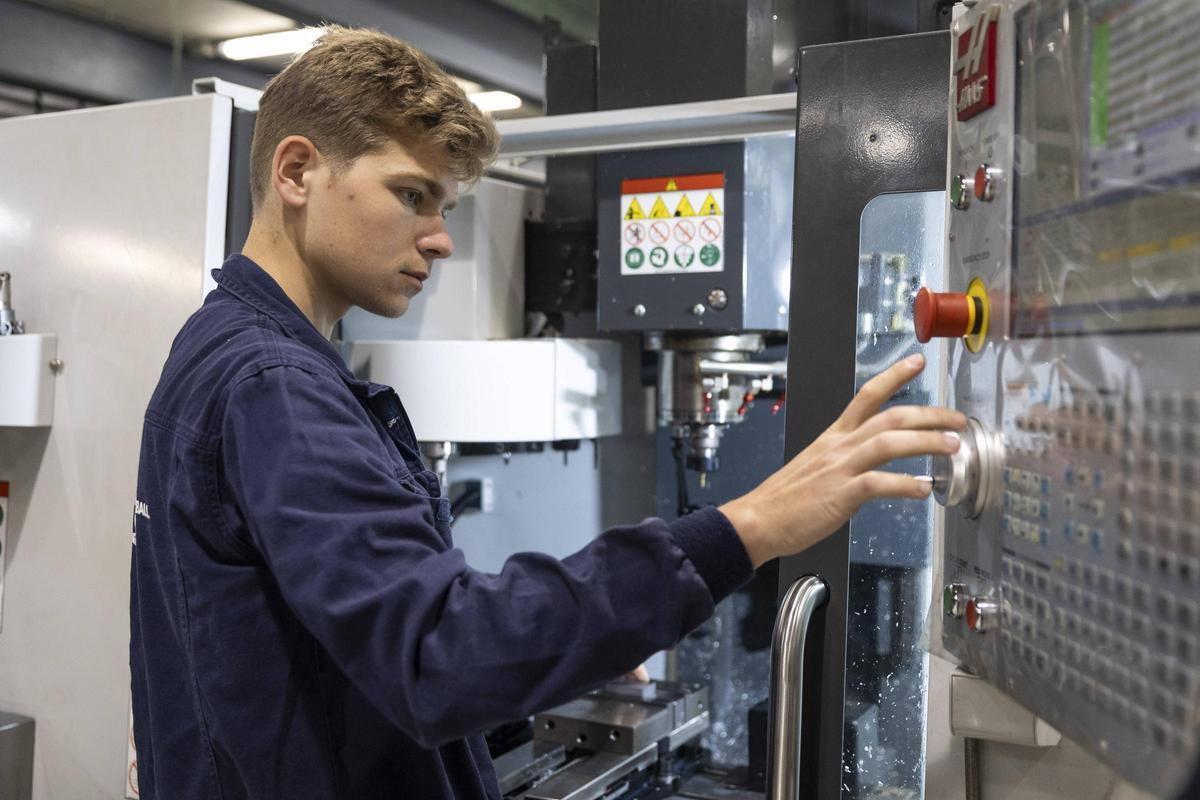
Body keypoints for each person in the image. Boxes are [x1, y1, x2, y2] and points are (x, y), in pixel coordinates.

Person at [129, 26, 965, 800]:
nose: (441, 239)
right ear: (296, 171)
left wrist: (551, 670)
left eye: (446, 208)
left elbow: (335, 660)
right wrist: (747, 526)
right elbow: (437, 655)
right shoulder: (275, 385)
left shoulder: (223, 347)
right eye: (412, 194)